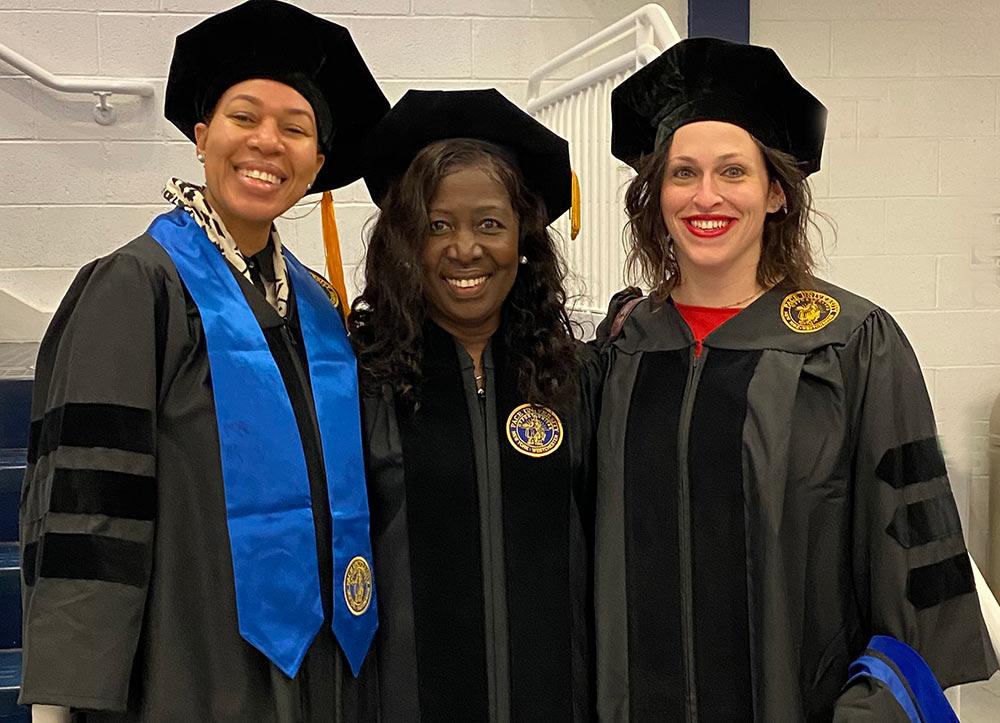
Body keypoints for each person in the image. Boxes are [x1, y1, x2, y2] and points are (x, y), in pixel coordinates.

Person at [593, 37, 998, 721]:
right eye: (683, 173)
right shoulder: (623, 350)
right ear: (657, 193)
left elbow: (916, 568)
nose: (707, 196)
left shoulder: (850, 343)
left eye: (733, 172)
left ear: (776, 192)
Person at [18, 1, 388, 720]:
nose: (266, 143)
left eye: (296, 128)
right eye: (243, 117)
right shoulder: (135, 288)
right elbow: (91, 504)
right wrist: (59, 702)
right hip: (186, 667)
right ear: (200, 135)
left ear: (316, 163)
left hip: (319, 671)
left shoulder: (314, 305)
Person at [350, 89, 597, 721]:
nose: (465, 249)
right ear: (406, 242)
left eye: (490, 223)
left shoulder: (575, 378)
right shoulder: (358, 381)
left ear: (523, 239)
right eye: (437, 226)